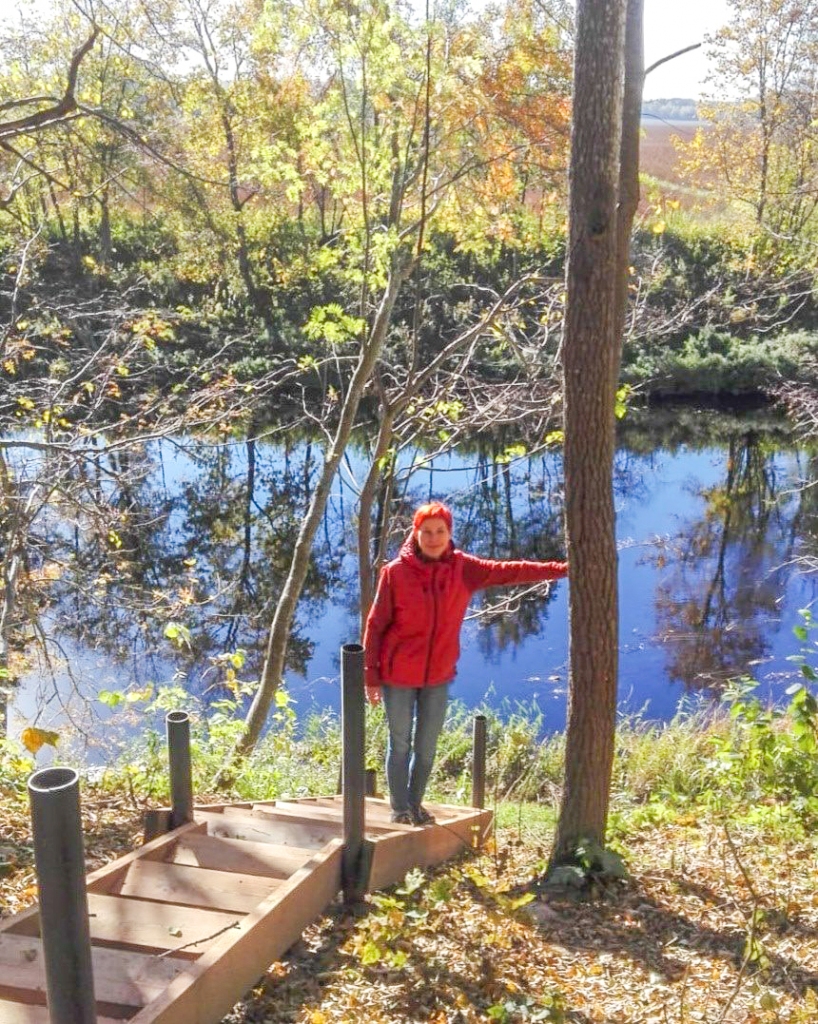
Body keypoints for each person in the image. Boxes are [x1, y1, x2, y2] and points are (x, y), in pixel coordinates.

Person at [362, 501, 568, 825]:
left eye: (439, 531)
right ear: (415, 534)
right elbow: (375, 626)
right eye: (426, 532)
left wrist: (561, 569)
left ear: (449, 533)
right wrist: (370, 677)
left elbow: (510, 571)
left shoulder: (463, 568)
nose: (433, 538)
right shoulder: (396, 573)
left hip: (438, 676)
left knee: (426, 748)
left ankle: (415, 805)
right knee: (400, 744)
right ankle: (399, 810)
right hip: (397, 674)